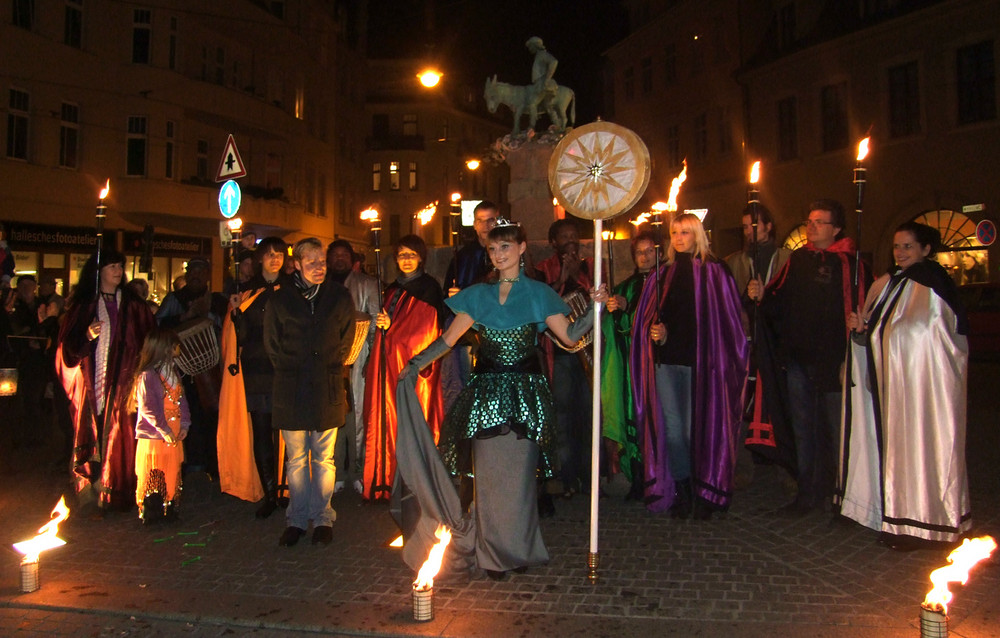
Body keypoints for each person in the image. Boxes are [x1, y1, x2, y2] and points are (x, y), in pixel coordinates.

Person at [398, 219, 598, 579]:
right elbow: (447, 340)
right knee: (488, 479)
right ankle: (491, 554)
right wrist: (414, 364)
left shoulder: (538, 294)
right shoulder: (477, 295)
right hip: (487, 393)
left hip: (525, 394)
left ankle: (517, 549)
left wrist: (594, 311)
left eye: (505, 246)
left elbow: (568, 337)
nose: (498, 254)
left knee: (520, 480)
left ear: (522, 249)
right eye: (492, 248)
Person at [837, 222, 971, 551]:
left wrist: (884, 339)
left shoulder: (933, 284)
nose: (900, 252)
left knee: (924, 450)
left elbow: (934, 336)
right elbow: (880, 332)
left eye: (908, 246)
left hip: (925, 390)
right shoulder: (892, 283)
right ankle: (898, 518)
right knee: (896, 451)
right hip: (893, 387)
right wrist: (861, 331)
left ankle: (928, 523)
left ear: (926, 249)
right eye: (897, 246)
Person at [749, 200, 870, 516]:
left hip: (834, 364)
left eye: (820, 222)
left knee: (837, 433)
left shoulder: (849, 263)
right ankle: (807, 493)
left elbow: (859, 309)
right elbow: (776, 301)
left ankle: (843, 497)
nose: (811, 227)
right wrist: (761, 296)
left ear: (837, 228)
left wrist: (851, 354)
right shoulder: (797, 260)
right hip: (799, 363)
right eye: (810, 220)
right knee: (804, 430)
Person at [631, 214, 748, 518]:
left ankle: (703, 490)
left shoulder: (715, 271)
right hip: (667, 363)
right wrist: (656, 332)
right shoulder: (662, 272)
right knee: (673, 431)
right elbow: (650, 318)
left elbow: (726, 318)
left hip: (702, 364)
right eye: (674, 233)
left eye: (685, 232)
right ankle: (682, 489)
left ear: (698, 234)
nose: (679, 238)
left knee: (697, 427)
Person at [264, 238, 354, 547]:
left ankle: (323, 517)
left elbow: (345, 338)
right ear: (298, 265)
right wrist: (292, 367)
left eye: (322, 262)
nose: (319, 267)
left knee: (324, 458)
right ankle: (297, 519)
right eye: (312, 262)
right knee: (297, 459)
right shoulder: (280, 300)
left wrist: (329, 365)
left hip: (326, 385)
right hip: (292, 387)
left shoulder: (339, 297)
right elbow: (273, 344)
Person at [58, 250, 156, 512]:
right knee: (93, 428)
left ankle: (118, 489)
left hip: (124, 382)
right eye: (111, 266)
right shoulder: (85, 305)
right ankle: (90, 485)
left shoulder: (133, 305)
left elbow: (149, 340)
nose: (117, 271)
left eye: (119, 266)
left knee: (120, 433)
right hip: (93, 381)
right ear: (98, 271)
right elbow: (66, 347)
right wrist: (87, 337)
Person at [362, 235, 444, 502]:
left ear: (421, 257)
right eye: (401, 255)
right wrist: (384, 325)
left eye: (411, 254)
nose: (406, 260)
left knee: (410, 418)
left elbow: (426, 331)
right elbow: (390, 327)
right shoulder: (391, 288)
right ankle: (385, 479)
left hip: (410, 366)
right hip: (387, 362)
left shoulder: (429, 289)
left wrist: (393, 330)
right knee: (386, 418)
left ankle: (414, 482)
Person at [218, 237, 286, 516]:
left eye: (279, 254)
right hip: (257, 369)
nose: (274, 259)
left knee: (287, 434)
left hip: (284, 370)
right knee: (261, 431)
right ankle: (270, 493)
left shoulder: (293, 289)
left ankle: (286, 490)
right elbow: (241, 336)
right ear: (260, 258)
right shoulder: (247, 291)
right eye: (269, 254)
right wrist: (236, 312)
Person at [534, 218, 594, 497]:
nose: (570, 240)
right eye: (564, 237)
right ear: (553, 242)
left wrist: (579, 275)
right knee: (563, 416)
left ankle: (590, 475)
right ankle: (567, 476)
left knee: (588, 414)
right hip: (558, 356)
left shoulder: (591, 266)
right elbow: (544, 305)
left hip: (588, 353)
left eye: (574, 236)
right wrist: (562, 279)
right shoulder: (543, 270)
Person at [600, 230, 656, 498]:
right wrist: (614, 310)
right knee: (631, 417)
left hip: (657, 369)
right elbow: (619, 333)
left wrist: (630, 311)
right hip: (631, 370)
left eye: (649, 251)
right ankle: (637, 478)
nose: (644, 257)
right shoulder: (625, 287)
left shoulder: (665, 283)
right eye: (639, 252)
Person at [327, 239, 380, 496]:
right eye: (334, 255)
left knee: (358, 415)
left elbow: (374, 324)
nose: (339, 259)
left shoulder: (366, 284)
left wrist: (371, 358)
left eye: (343, 255)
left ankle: (358, 471)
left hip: (359, 358)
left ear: (351, 258)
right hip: (328, 360)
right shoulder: (321, 284)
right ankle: (335, 470)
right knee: (333, 416)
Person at [130, 327, 190, 524]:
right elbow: (148, 408)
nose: (178, 347)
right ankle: (152, 511)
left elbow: (182, 401)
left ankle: (170, 508)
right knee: (153, 473)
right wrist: (163, 429)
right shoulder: (148, 376)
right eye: (175, 345)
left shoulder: (173, 373)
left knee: (172, 472)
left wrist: (185, 424)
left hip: (172, 432)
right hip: (155, 435)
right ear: (166, 348)